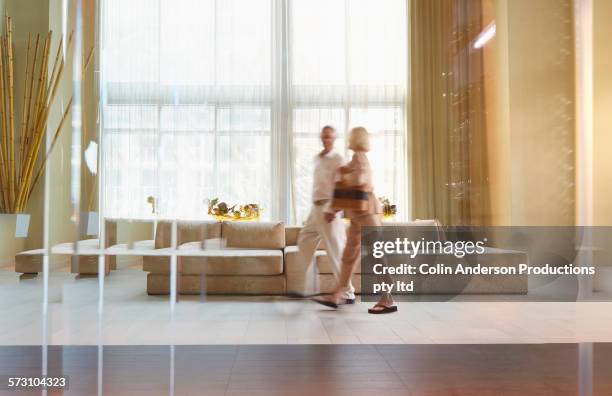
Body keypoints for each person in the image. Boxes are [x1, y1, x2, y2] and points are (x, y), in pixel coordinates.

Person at [313, 127, 397, 314]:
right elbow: (353, 184)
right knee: (349, 255)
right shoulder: (356, 159)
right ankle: (339, 293)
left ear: (354, 139)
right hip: (358, 215)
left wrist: (335, 206)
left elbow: (358, 185)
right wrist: (344, 173)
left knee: (376, 255)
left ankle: (388, 298)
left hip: (367, 214)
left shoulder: (358, 158)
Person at [293, 125, 356, 302]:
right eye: (323, 136)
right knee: (304, 240)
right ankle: (305, 287)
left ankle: (348, 292)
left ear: (334, 138)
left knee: (335, 252)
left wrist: (333, 209)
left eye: (329, 137)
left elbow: (342, 187)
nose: (326, 139)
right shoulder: (317, 159)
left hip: (330, 209)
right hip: (315, 209)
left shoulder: (338, 159)